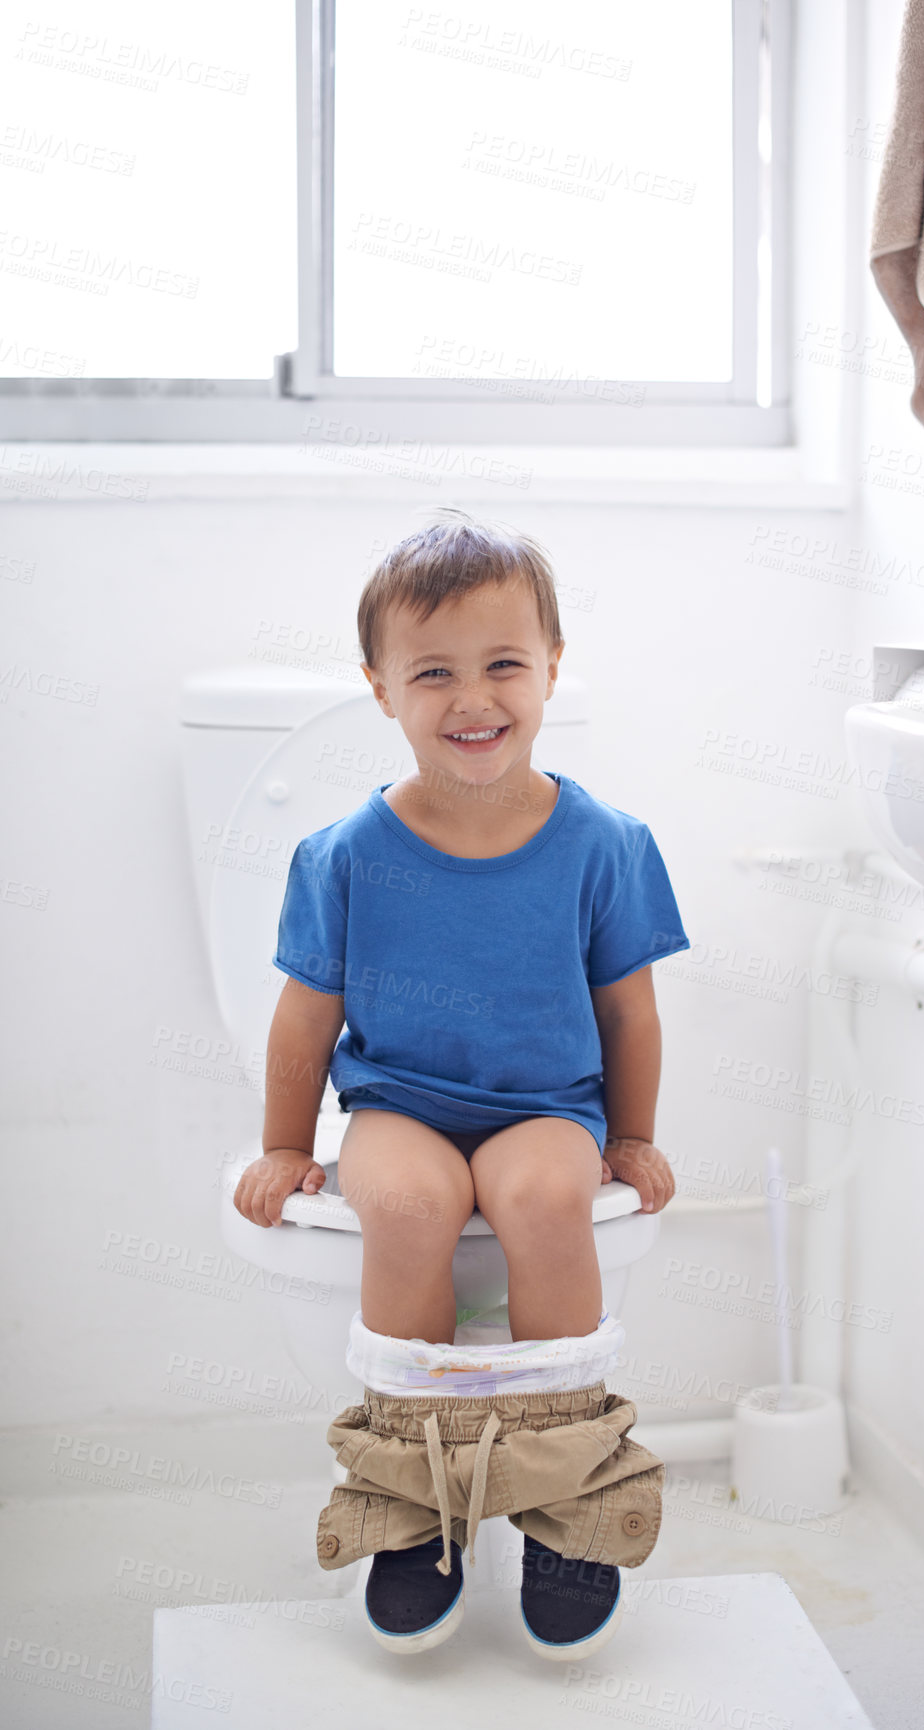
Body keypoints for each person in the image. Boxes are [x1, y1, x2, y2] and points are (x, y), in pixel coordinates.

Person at [233, 509, 690, 1658]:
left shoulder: (603, 841)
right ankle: (410, 1495)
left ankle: (565, 1495)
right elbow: (307, 1013)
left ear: (549, 670)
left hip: (546, 1104)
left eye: (502, 664)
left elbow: (627, 1009)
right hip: (399, 1101)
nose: (471, 696)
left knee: (543, 1200)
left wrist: (630, 1137)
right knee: (403, 1204)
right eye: (431, 671)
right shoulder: (342, 854)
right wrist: (288, 1143)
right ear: (381, 688)